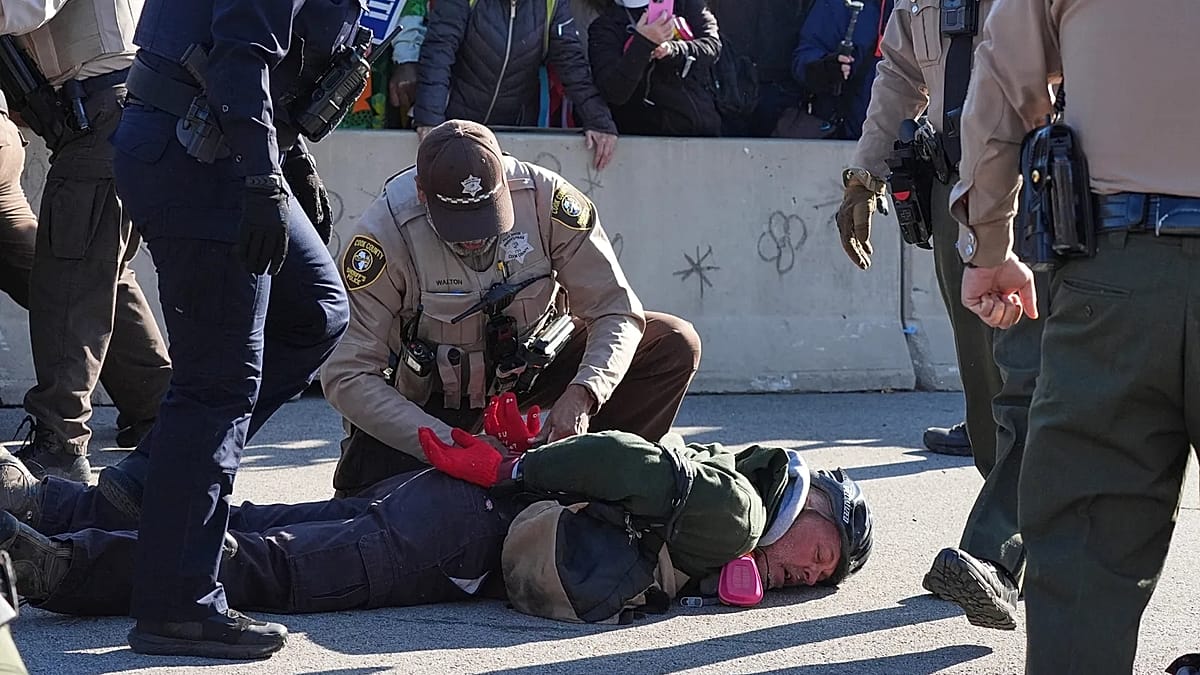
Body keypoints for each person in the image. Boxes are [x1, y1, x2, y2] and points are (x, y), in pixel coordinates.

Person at [79, 0, 358, 660]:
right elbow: (238, 53)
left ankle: (157, 478)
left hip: (227, 145)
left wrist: (289, 165)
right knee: (216, 387)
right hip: (197, 156)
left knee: (316, 311)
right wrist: (266, 177)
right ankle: (178, 603)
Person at [0, 421, 873, 617]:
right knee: (273, 566)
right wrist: (527, 469)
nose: (804, 569)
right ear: (809, 506)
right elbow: (630, 461)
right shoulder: (739, 507)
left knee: (265, 513)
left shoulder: (728, 493)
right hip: (461, 532)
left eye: (816, 578)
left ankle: (41, 499)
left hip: (443, 500)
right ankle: (71, 567)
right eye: (818, 550)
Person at [948, 0, 1199, 670]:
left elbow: (1005, 78)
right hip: (1110, 267)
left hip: (1114, 276)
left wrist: (991, 246)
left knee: (1083, 565)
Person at [320, 119, 702, 498]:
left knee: (673, 343)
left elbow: (616, 311)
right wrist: (448, 444)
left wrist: (584, 392)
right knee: (367, 506)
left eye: (487, 219)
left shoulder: (546, 200)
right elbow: (347, 375)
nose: (474, 240)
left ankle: (595, 485)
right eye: (459, 226)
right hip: (434, 400)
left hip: (532, 370)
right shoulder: (382, 237)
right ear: (422, 194)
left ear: (503, 178)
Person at [835, 0, 1043, 631]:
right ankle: (1011, 545)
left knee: (1029, 382)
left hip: (1036, 192)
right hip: (955, 194)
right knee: (984, 385)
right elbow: (900, 73)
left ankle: (997, 553)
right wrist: (864, 178)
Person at [0, 0, 173, 482]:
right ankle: (158, 412)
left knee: (68, 282)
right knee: (101, 276)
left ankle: (59, 441)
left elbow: (25, 7)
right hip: (117, 109)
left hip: (104, 112)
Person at [414, 0, 620, 170]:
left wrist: (599, 121)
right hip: (454, 125)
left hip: (512, 134)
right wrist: (430, 121)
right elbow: (438, 53)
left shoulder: (552, 3)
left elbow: (570, 60)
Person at [586, 0, 722, 137]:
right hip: (647, 138)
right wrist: (643, 43)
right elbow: (613, 92)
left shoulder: (685, 4)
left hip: (705, 129)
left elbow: (712, 45)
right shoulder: (605, 26)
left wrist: (673, 49)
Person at [789, 0, 887, 140]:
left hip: (910, 143)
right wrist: (824, 69)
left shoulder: (923, 8)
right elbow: (805, 57)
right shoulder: (839, 4)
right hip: (845, 140)